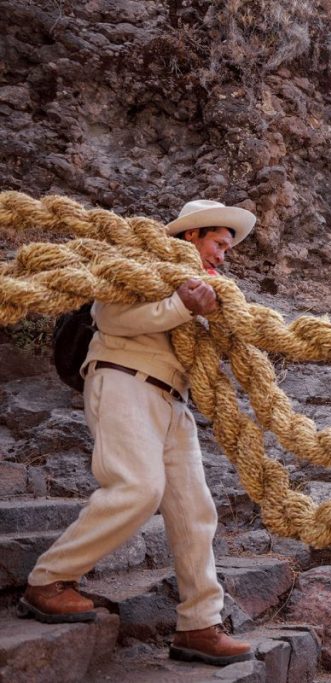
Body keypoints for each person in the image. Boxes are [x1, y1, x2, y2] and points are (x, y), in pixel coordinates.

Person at [18, 200, 258, 667]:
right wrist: (181, 305)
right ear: (192, 236)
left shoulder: (205, 288)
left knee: (196, 511)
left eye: (227, 248)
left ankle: (200, 625)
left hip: (174, 400)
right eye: (219, 244)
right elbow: (111, 319)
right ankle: (48, 579)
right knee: (137, 488)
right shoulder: (143, 265)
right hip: (124, 379)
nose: (224, 256)